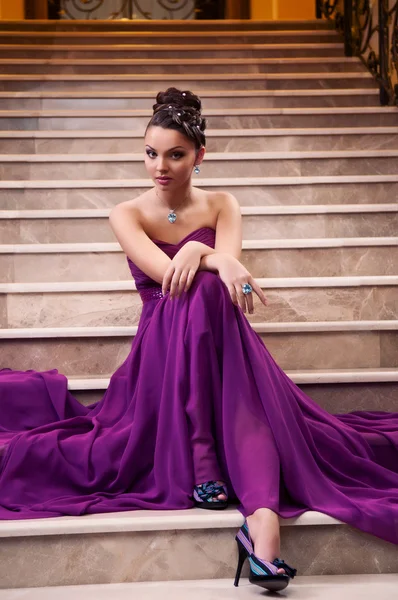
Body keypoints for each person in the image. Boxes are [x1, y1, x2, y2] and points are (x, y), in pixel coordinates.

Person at [0, 88, 397, 593]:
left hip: (221, 341)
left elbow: (229, 284)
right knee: (202, 287)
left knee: (211, 291)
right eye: (150, 153)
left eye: (175, 154)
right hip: (162, 349)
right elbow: (172, 279)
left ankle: (234, 492)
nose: (159, 167)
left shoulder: (223, 203)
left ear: (200, 156)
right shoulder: (127, 213)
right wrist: (205, 254)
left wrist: (206, 258)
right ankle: (257, 516)